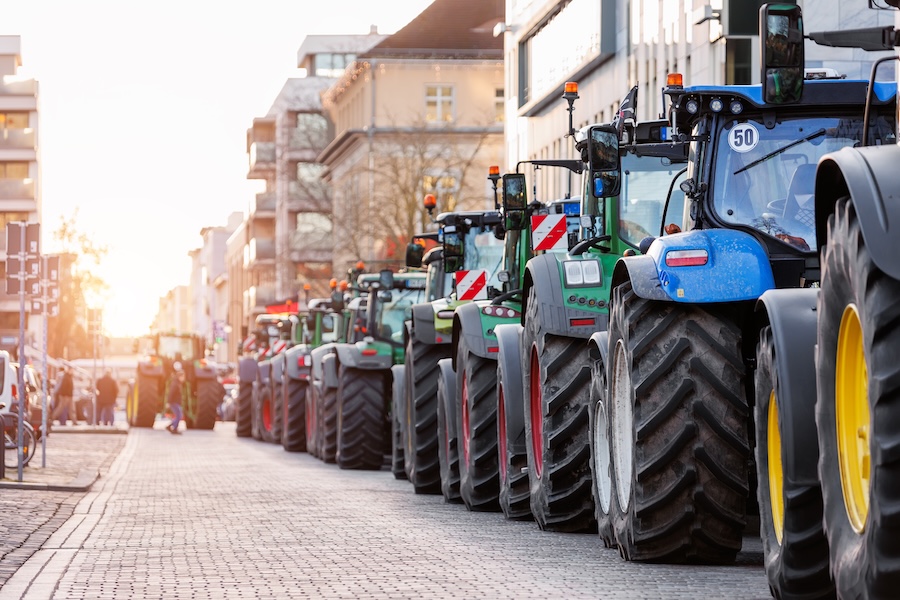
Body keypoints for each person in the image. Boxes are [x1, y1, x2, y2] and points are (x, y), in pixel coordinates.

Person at [166, 364, 184, 435]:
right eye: (183, 377)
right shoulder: (175, 384)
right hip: (174, 402)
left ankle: (171, 426)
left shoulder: (177, 383)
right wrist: (168, 402)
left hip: (175, 402)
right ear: (180, 376)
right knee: (179, 415)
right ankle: (173, 428)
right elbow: (171, 393)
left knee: (179, 415)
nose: (184, 378)